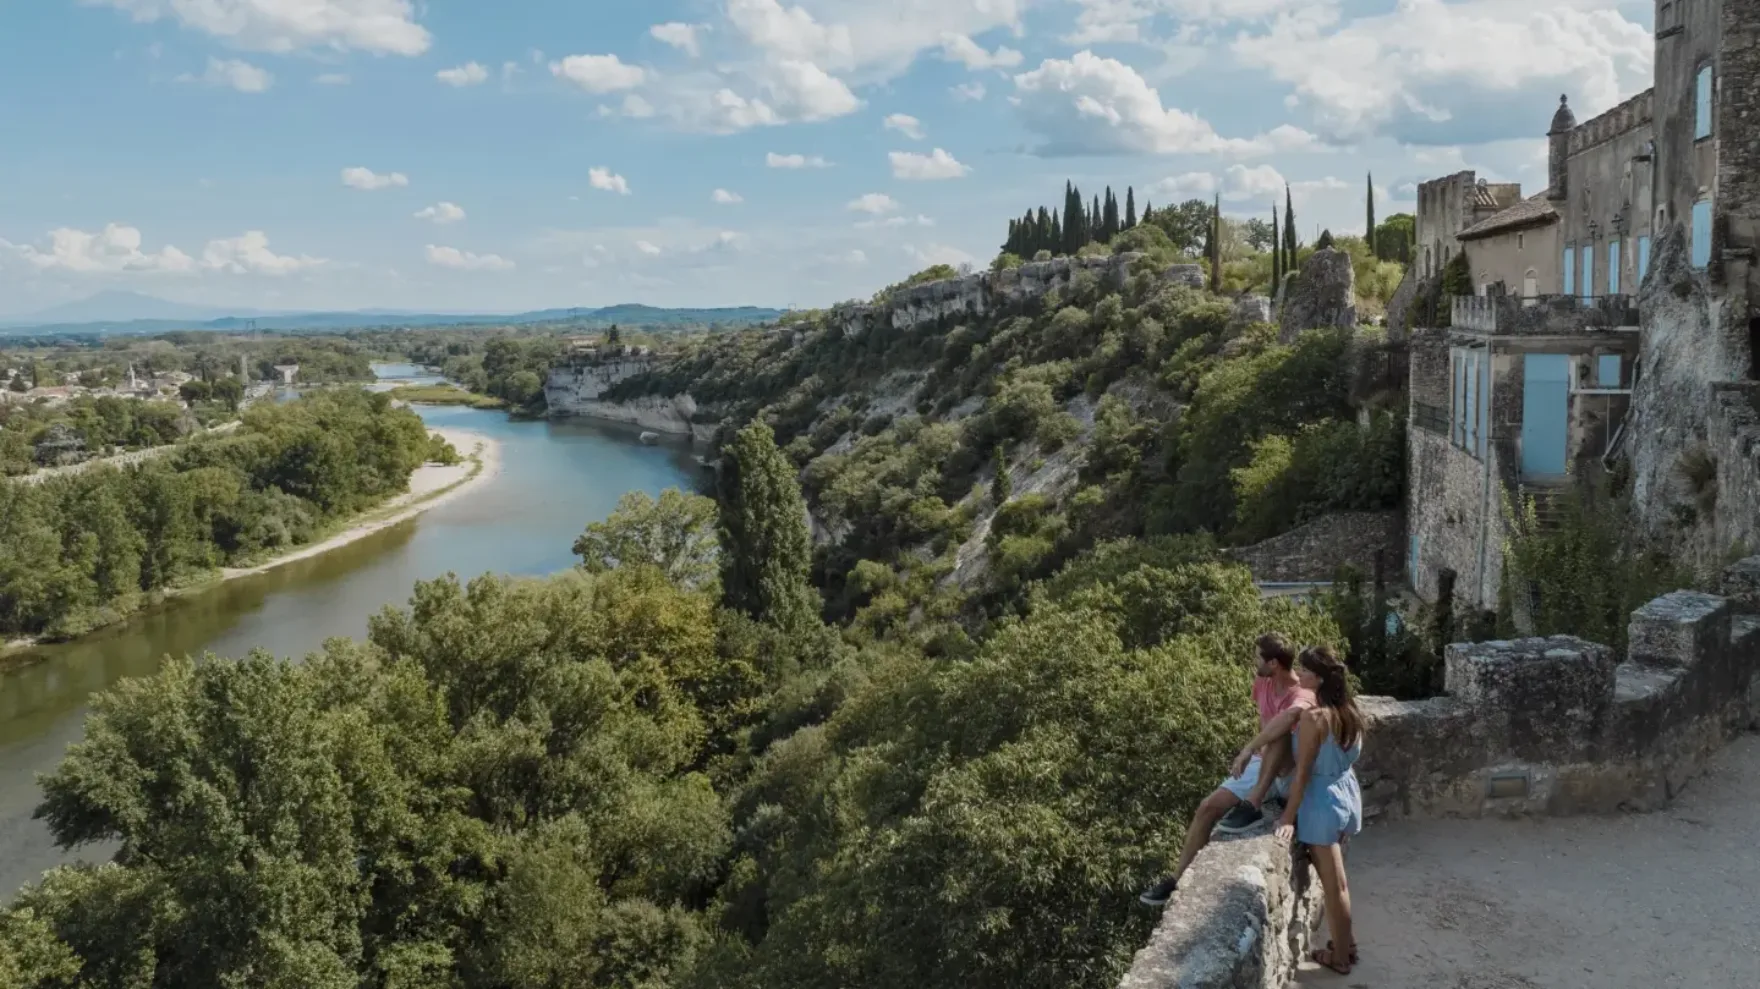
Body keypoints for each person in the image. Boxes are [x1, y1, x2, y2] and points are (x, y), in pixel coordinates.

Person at [1138, 633, 1313, 907]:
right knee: (1208, 807)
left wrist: (1247, 749)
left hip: (1291, 774)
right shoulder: (1263, 683)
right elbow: (1262, 719)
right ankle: (1176, 879)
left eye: (1258, 657)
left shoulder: (1303, 692)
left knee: (1279, 732)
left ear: (1275, 663)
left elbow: (1287, 718)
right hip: (1265, 764)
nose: (1253, 661)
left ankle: (1255, 802)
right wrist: (1256, 753)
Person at [1274, 645, 1365, 975]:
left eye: (1305, 671)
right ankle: (1347, 943)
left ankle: (1340, 958)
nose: (1299, 676)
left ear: (1318, 678)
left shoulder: (1316, 718)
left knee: (1334, 885)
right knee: (1339, 881)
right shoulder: (1350, 711)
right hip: (1345, 793)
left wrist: (1287, 817)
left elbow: (1303, 772)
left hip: (1321, 804)